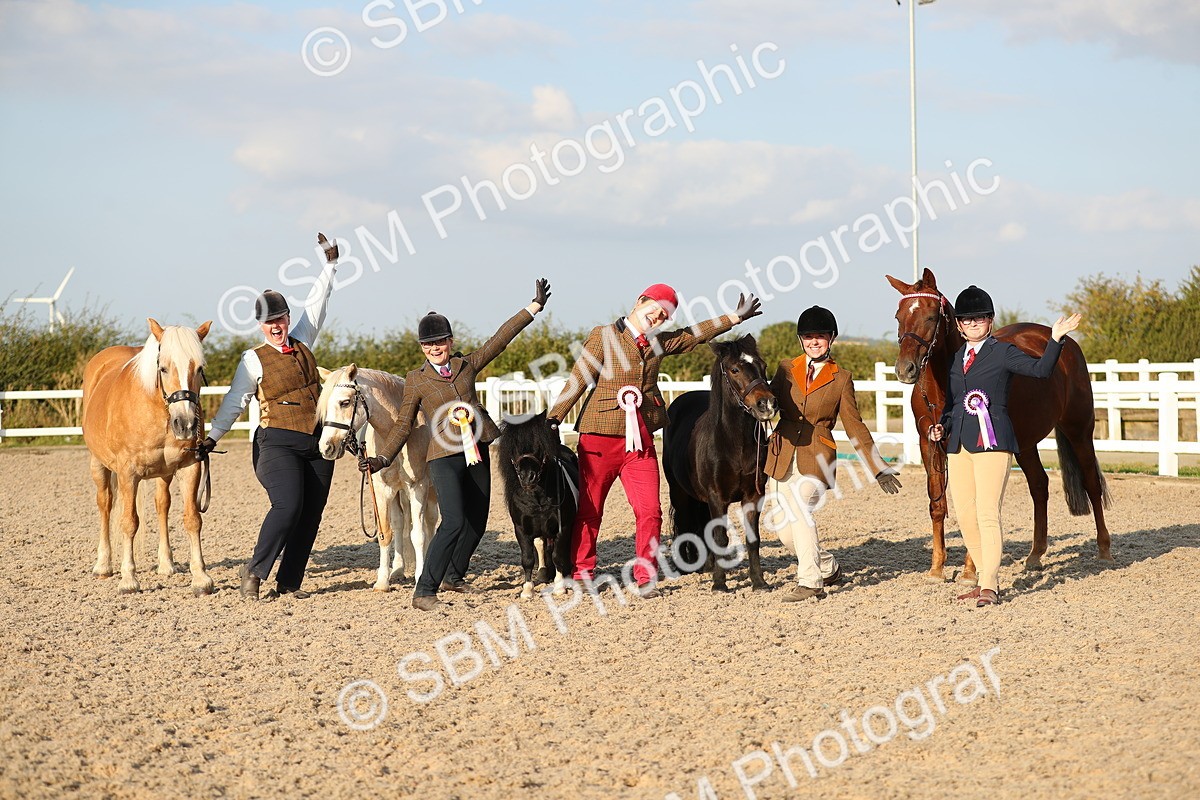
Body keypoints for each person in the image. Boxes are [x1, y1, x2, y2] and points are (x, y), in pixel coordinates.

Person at [547, 284, 763, 598]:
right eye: (656, 309)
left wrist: (733, 317)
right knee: (590, 510)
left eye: (665, 315)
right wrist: (554, 417)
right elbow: (579, 378)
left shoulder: (658, 343)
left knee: (650, 511)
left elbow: (692, 335)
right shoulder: (603, 336)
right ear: (640, 301)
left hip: (641, 440)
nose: (658, 317)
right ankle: (582, 572)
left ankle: (645, 576)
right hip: (599, 436)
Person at [360, 279, 551, 612]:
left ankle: (453, 575)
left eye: (441, 342)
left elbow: (500, 340)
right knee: (452, 520)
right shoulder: (417, 379)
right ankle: (424, 589)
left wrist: (532, 308)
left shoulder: (467, 365)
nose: (436, 348)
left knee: (477, 521)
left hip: (475, 449)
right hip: (443, 456)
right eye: (429, 344)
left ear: (450, 341)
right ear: (423, 348)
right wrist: (382, 458)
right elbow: (404, 423)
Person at [202, 233, 340, 600]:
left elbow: (318, 303)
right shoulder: (253, 359)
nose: (276, 325)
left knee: (311, 514)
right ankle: (255, 570)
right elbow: (235, 401)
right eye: (269, 321)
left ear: (287, 317)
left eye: (280, 318)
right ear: (260, 325)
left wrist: (329, 266)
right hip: (275, 443)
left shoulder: (304, 340)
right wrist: (213, 436)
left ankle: (289, 583)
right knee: (288, 504)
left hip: (318, 442)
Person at [928, 286, 1081, 607]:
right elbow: (954, 402)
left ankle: (989, 584)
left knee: (986, 511)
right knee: (965, 514)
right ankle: (984, 574)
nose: (973, 324)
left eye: (980, 319)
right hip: (958, 443)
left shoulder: (1003, 351)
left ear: (990, 320)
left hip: (993, 440)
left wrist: (1055, 339)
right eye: (966, 320)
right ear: (958, 325)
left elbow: (1040, 370)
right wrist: (942, 424)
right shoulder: (957, 358)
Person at [762, 306, 902, 602]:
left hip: (817, 458)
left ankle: (811, 581)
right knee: (786, 533)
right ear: (801, 340)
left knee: (799, 509)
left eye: (820, 336)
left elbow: (854, 425)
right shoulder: (786, 368)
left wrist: (878, 467)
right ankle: (827, 566)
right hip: (782, 454)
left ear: (831, 339)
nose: (814, 341)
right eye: (809, 336)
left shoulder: (841, 378)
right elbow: (767, 405)